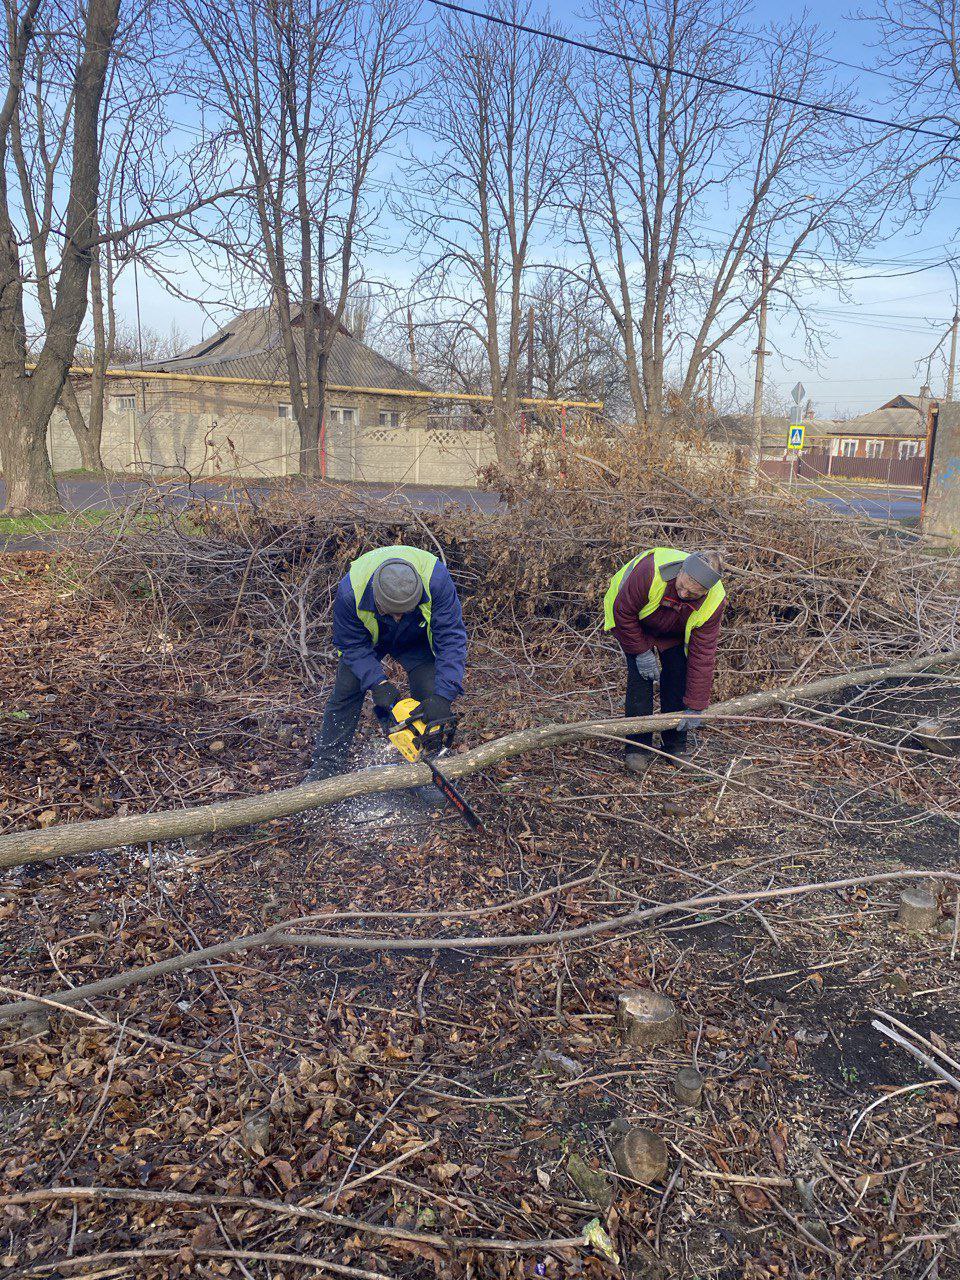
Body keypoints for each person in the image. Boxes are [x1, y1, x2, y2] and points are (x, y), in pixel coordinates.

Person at [307, 545, 467, 780]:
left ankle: (430, 764)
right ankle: (326, 766)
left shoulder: (436, 581)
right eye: (392, 611)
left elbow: (451, 638)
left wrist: (444, 696)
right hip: (370, 637)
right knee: (346, 690)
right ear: (377, 597)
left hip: (417, 635)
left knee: (430, 690)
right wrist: (378, 683)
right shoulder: (351, 592)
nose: (398, 617)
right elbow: (351, 644)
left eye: (403, 610)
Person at [603, 547, 726, 776]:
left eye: (693, 593)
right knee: (640, 680)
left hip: (675, 630)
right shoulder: (650, 572)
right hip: (633, 623)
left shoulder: (714, 601)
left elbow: (703, 654)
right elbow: (623, 612)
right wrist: (640, 651)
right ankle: (637, 748)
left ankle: (675, 746)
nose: (684, 594)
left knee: (678, 677)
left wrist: (696, 704)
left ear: (706, 591)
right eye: (682, 586)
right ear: (681, 570)